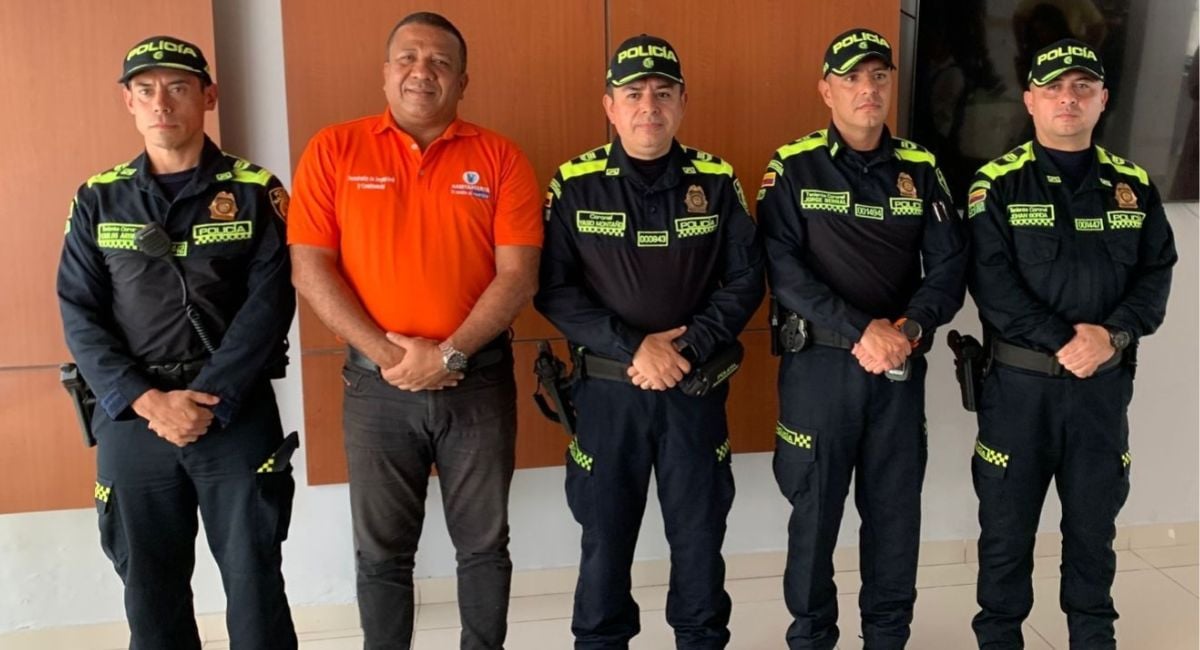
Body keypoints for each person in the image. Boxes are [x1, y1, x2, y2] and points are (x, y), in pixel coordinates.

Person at [287, 11, 542, 649]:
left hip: (476, 384)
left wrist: (450, 354)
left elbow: (518, 276)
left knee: (484, 546)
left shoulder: (501, 157)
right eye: (407, 58)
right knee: (381, 552)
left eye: (439, 62)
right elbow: (310, 269)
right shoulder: (333, 149)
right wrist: (390, 356)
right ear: (385, 73)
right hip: (376, 391)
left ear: (462, 81)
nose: (421, 72)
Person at [56, 35, 297, 649]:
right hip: (133, 417)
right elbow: (79, 312)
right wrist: (146, 401)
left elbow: (270, 305)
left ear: (208, 97)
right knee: (150, 591)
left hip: (233, 414)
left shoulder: (255, 190)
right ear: (129, 103)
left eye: (178, 87)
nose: (161, 103)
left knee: (255, 584)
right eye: (145, 90)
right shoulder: (98, 197)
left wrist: (208, 397)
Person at [535, 33, 764, 649]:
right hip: (608, 396)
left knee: (699, 540)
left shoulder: (716, 179)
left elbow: (747, 279)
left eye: (663, 93)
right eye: (633, 94)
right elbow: (552, 290)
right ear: (609, 105)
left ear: (683, 102)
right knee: (604, 543)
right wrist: (634, 346)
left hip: (693, 390)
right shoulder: (575, 183)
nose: (648, 107)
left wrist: (685, 348)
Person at [756, 28, 967, 650]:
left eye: (878, 76)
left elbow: (950, 266)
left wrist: (909, 328)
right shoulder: (793, 165)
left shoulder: (921, 167)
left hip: (898, 365)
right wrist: (861, 328)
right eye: (851, 78)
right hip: (820, 369)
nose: (867, 89)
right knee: (814, 517)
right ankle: (811, 638)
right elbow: (782, 269)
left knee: (895, 517)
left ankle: (887, 637)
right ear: (827, 90)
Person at [967, 38, 1176, 649]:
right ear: (1030, 100)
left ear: (1103, 100)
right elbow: (992, 285)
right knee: (1005, 535)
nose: (1068, 99)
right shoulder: (996, 184)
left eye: (1082, 87)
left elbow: (1155, 275)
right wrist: (1067, 341)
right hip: (1019, 392)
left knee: (1093, 533)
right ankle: (1000, 639)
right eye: (1054, 88)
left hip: (1100, 393)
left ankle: (1093, 639)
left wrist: (1110, 336)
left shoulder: (1133, 185)